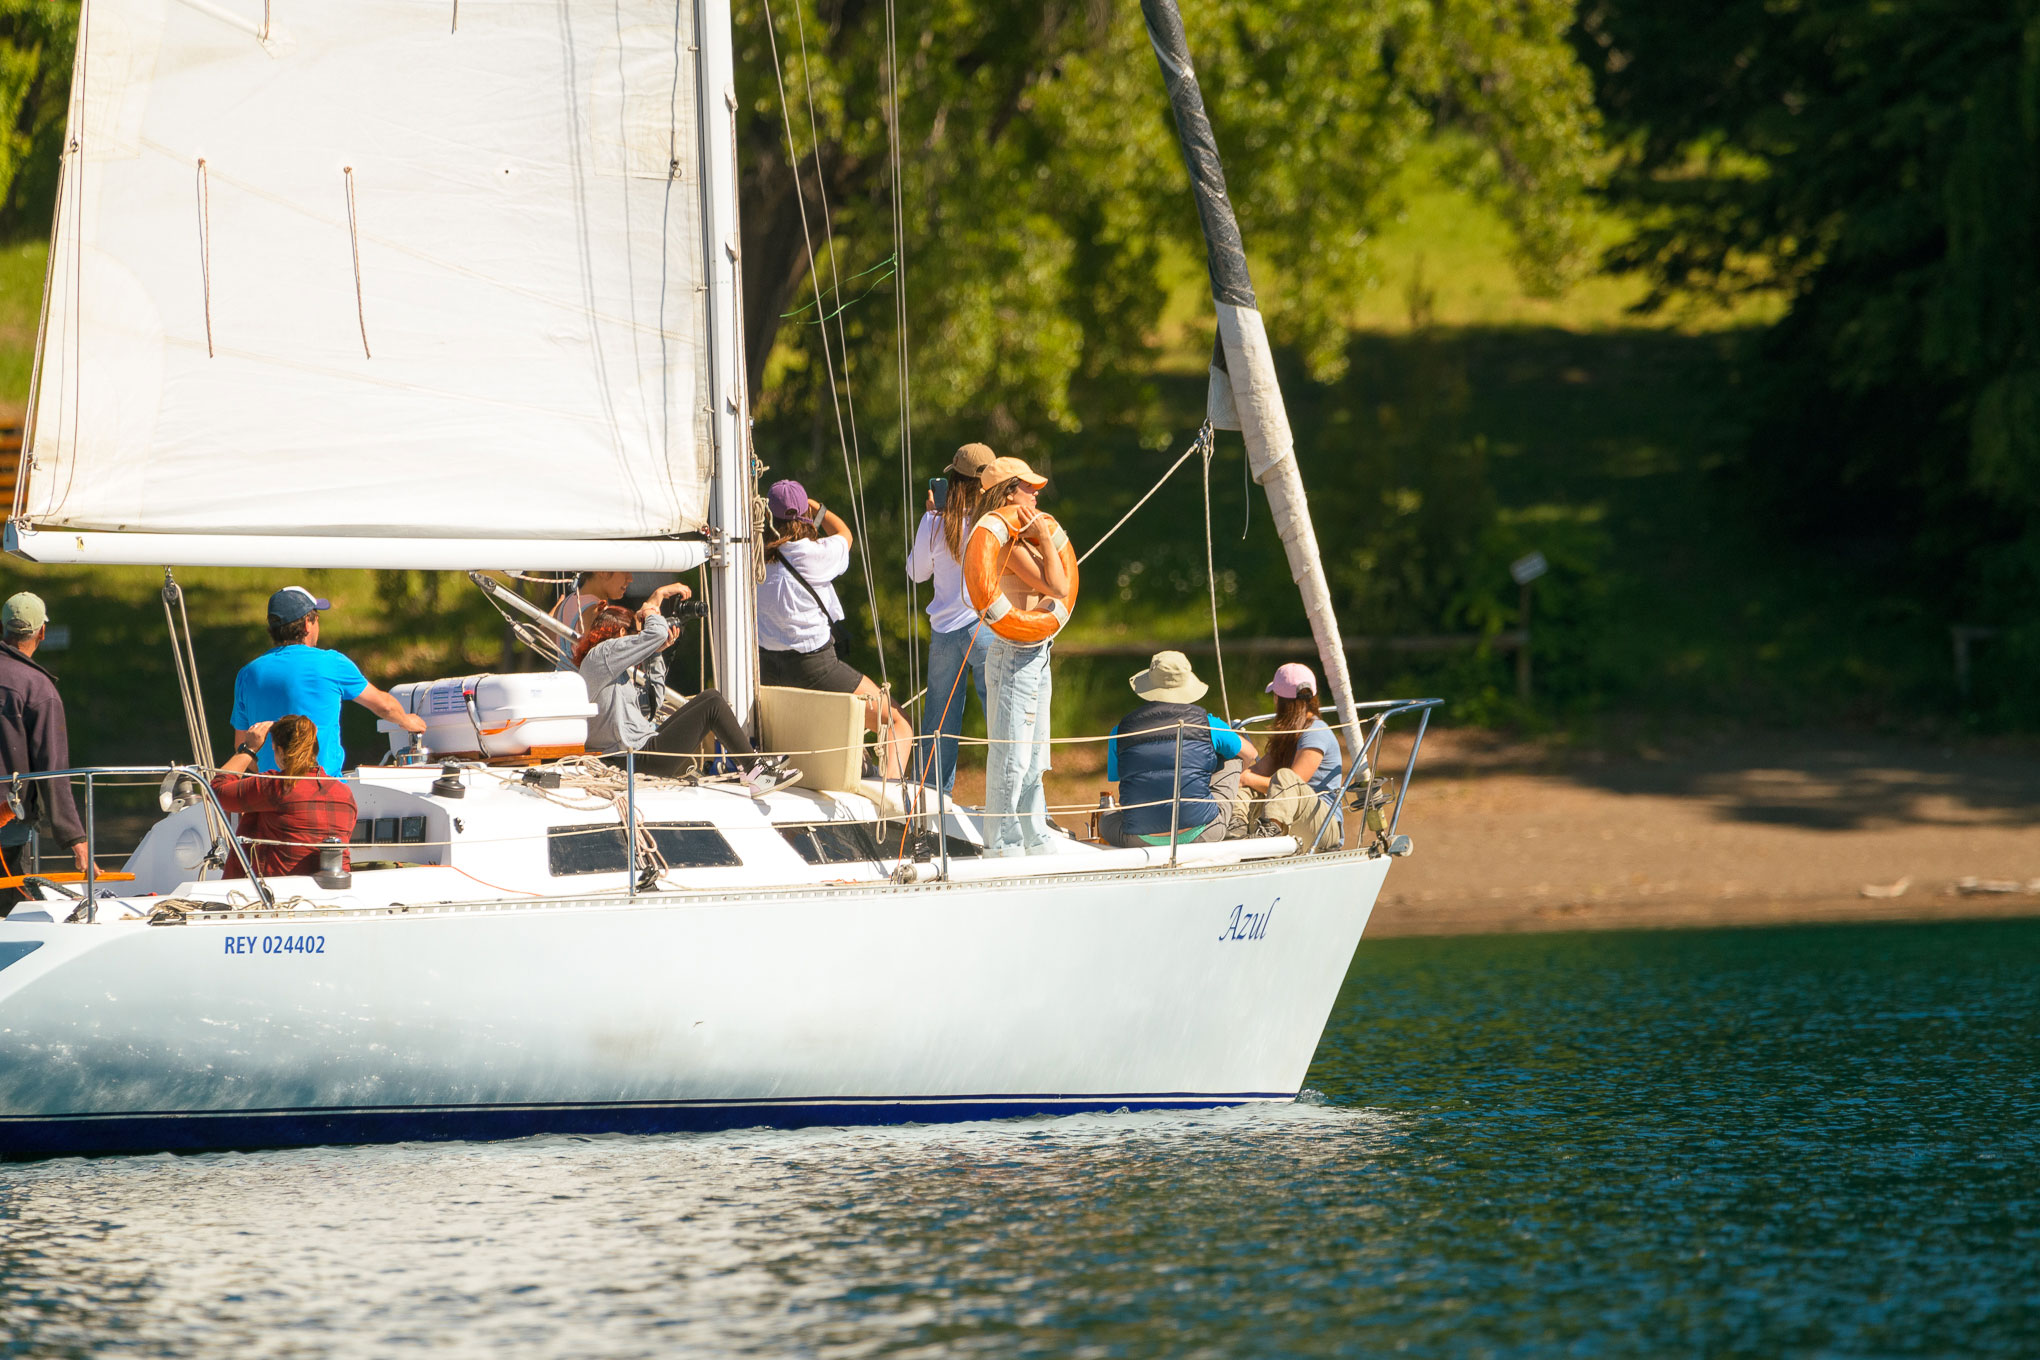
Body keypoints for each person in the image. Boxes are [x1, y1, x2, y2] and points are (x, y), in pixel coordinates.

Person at [755, 478, 913, 780]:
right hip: (815, 667)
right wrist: (819, 508)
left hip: (767, 669)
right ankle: (891, 800)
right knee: (896, 721)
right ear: (803, 514)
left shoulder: (754, 559)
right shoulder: (816, 554)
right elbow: (845, 534)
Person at [576, 583, 794, 795]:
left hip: (638, 752)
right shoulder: (602, 653)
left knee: (709, 698)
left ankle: (749, 765)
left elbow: (652, 703)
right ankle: (756, 772)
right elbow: (657, 634)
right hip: (634, 758)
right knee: (713, 705)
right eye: (638, 633)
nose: (640, 639)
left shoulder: (610, 671)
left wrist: (655, 653)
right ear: (623, 633)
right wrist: (651, 606)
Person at [975, 457, 1073, 855]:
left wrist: (1044, 536)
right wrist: (1047, 540)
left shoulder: (1023, 537)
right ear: (1008, 492)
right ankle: (1000, 840)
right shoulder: (1008, 543)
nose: (1037, 493)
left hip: (1037, 651)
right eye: (1028, 487)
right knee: (1012, 754)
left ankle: (1034, 833)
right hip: (1014, 654)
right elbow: (1057, 584)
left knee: (1035, 754)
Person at [231, 586, 426, 777]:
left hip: (270, 792)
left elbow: (242, 745)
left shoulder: (247, 674)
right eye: (316, 618)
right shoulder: (331, 663)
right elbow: (384, 707)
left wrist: (273, 776)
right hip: (324, 787)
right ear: (307, 623)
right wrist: (407, 720)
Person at [1100, 650, 1259, 848]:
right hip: (1204, 833)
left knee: (1106, 818)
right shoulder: (1208, 725)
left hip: (1139, 840)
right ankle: (1235, 822)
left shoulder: (1119, 731)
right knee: (1233, 755)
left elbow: (1120, 779)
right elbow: (1251, 754)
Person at [906, 441, 995, 794]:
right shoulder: (995, 521)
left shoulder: (935, 521)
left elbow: (916, 573)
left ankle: (931, 803)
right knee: (1000, 722)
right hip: (987, 628)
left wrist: (929, 518)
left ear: (952, 481)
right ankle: (1015, 806)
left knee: (938, 724)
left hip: (945, 632)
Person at [0, 592, 88, 911]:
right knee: (11, 920)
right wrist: (75, 840)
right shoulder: (37, 689)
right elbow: (53, 771)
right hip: (8, 829)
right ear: (41, 632)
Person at [211, 715, 359, 879]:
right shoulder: (344, 793)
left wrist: (248, 749)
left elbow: (216, 792)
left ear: (280, 751)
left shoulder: (276, 785)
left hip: (278, 895)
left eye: (274, 750)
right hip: (334, 893)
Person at [1241, 662, 1345, 852]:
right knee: (1245, 786)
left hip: (1324, 828)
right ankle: (1234, 831)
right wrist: (1239, 777)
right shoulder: (1289, 735)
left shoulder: (1316, 732)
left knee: (1284, 777)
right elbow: (1256, 772)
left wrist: (1248, 778)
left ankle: (1269, 841)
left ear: (1279, 700)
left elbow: (1291, 786)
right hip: (1297, 819)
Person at [552, 570, 634, 669]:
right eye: (625, 571)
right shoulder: (599, 612)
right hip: (586, 683)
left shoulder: (566, 602)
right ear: (602, 572)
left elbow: (546, 635)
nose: (630, 579)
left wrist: (556, 608)